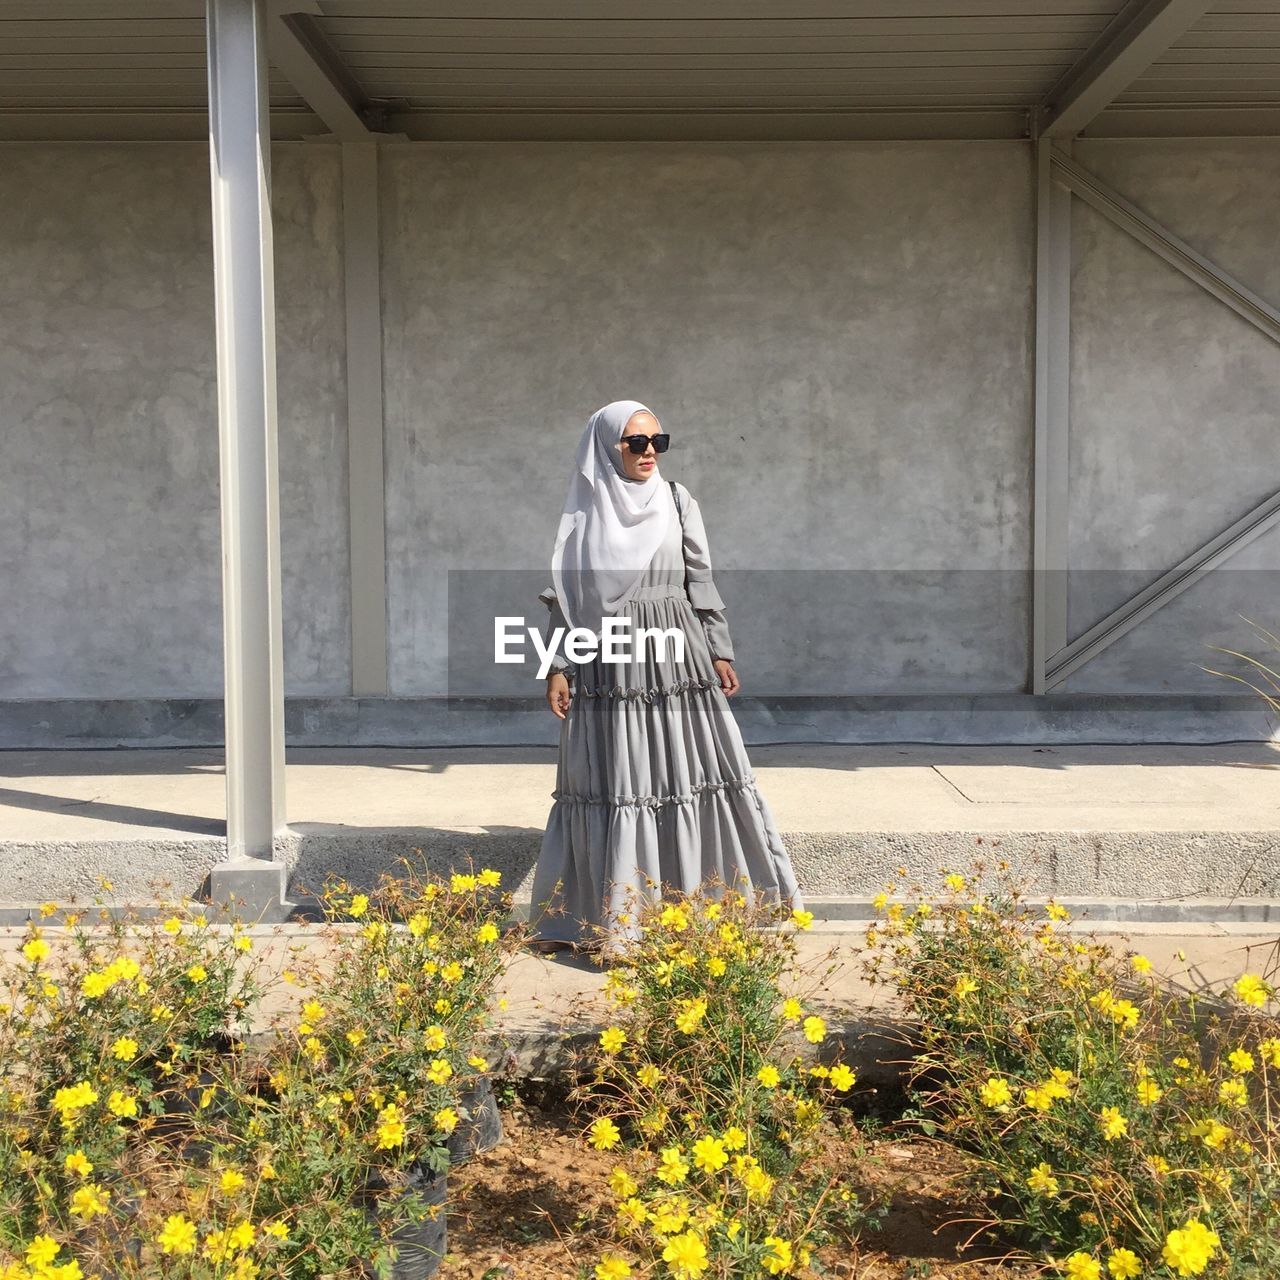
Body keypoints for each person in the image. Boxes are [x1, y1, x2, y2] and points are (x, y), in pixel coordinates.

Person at [528, 398, 802, 952]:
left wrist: (720, 650)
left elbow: (700, 579)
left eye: (658, 441)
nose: (649, 451)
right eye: (636, 442)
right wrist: (558, 665)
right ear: (608, 448)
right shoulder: (587, 511)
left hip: (677, 653)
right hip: (609, 659)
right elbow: (572, 596)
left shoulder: (677, 500)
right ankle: (619, 917)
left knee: (687, 771)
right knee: (622, 779)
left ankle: (698, 904)